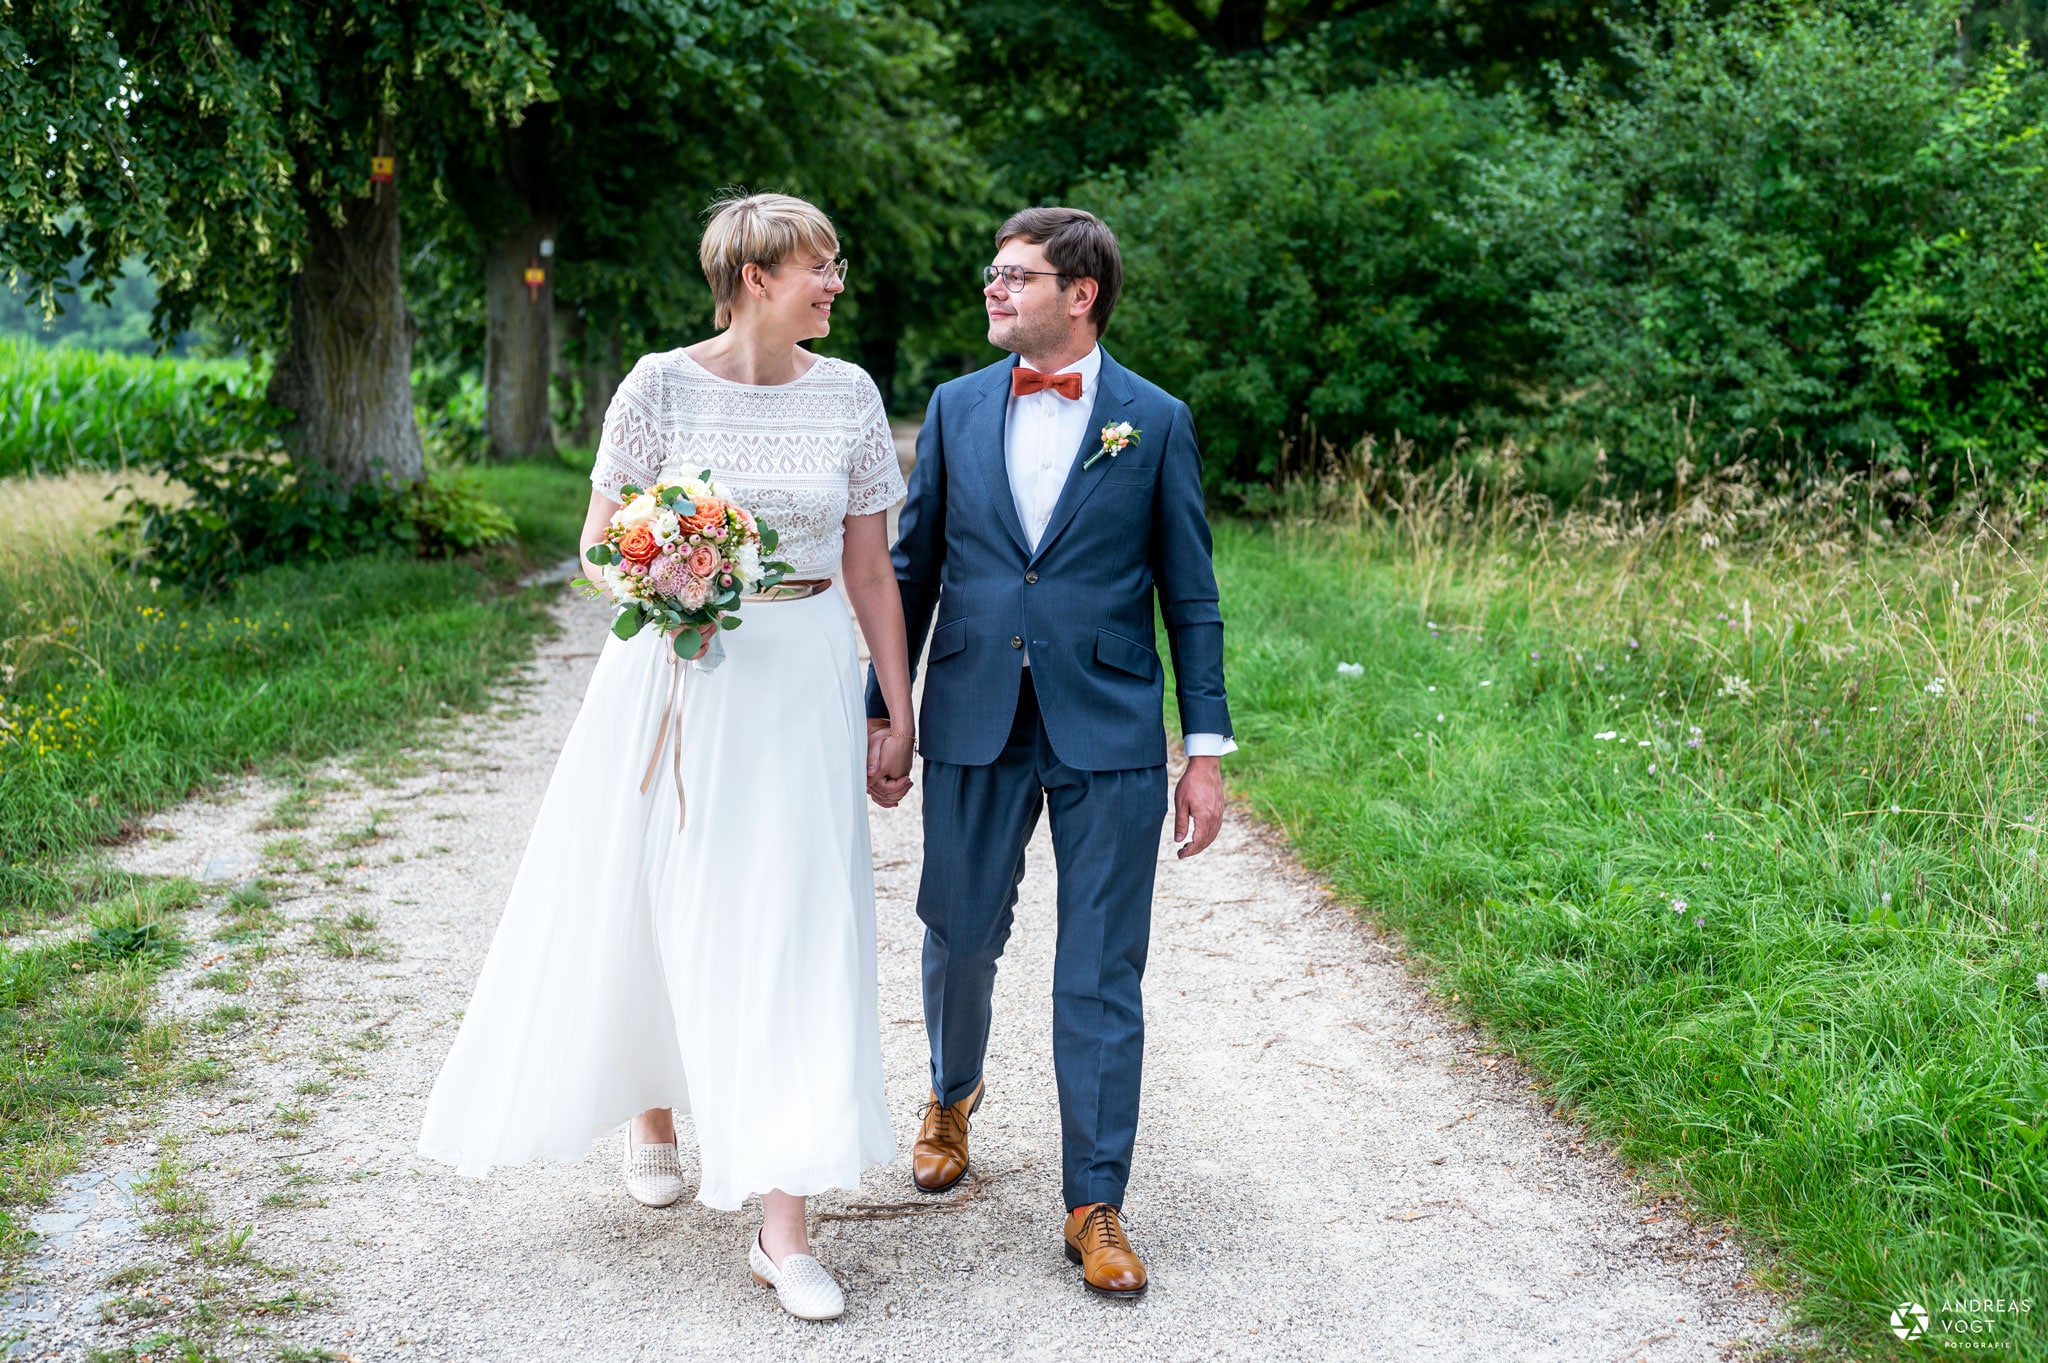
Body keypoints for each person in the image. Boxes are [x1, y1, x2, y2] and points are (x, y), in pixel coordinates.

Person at [418, 191, 914, 1323]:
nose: (835, 284)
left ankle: (781, 1229)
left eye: (834, 266)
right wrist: (665, 577)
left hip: (797, 677)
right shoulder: (657, 384)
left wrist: (897, 702)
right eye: (819, 267)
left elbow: (872, 570)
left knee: (793, 927)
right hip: (677, 677)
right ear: (752, 277)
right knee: (649, 894)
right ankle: (650, 1103)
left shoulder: (849, 395)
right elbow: (599, 544)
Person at [865, 206, 1232, 1299]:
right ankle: (950, 1091)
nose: (993, 289)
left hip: (1108, 723)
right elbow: (910, 569)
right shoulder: (953, 405)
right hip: (975, 707)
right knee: (958, 929)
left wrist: (1201, 748)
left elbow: (1192, 596)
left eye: (1015, 277)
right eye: (992, 273)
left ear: (1080, 294)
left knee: (1101, 965)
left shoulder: (1152, 421)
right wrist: (882, 711)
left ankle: (1094, 1203)